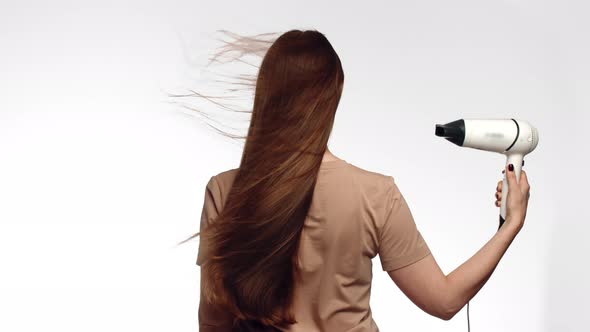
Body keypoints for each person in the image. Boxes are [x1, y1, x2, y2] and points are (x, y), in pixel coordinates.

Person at [184, 29, 531, 332]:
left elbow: (212, 324)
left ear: (268, 95)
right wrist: (511, 224)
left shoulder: (226, 191)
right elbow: (445, 301)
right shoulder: (376, 194)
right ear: (333, 97)